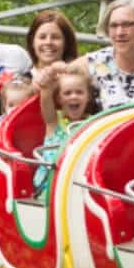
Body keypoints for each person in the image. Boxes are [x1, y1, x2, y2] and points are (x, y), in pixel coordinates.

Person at [69, 0, 134, 109]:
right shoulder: (94, 63)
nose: (119, 32)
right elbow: (54, 88)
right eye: (113, 25)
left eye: (127, 24)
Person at [32, 64, 97, 198]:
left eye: (79, 92)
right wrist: (46, 85)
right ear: (59, 98)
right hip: (49, 187)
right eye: (67, 93)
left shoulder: (94, 123)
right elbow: (45, 97)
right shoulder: (54, 122)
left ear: (88, 96)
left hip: (77, 186)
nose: (73, 96)